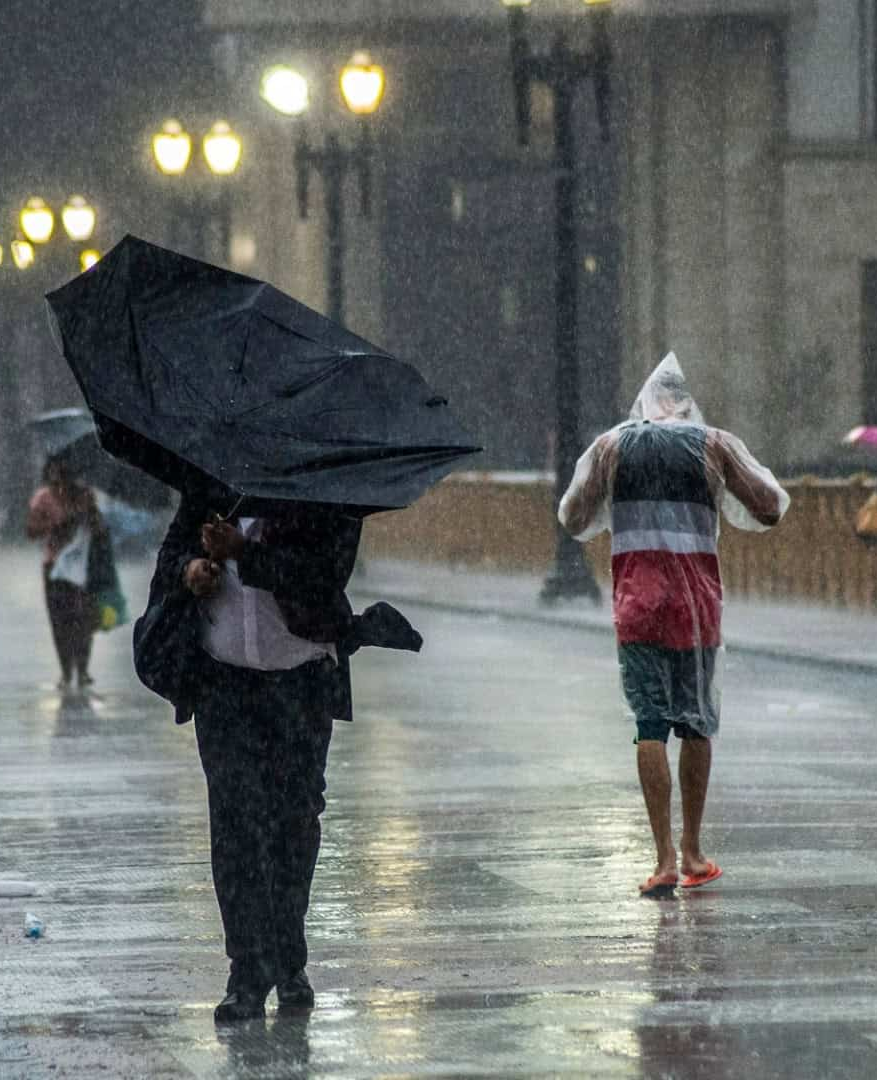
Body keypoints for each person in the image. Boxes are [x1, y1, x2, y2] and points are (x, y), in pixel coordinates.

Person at [145, 487, 420, 1022]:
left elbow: (325, 576)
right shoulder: (211, 481)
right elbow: (170, 558)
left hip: (301, 682)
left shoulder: (326, 490)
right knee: (235, 827)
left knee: (293, 824)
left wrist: (246, 553)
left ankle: (289, 960)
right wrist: (191, 570)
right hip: (223, 685)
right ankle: (246, 972)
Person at [558, 353, 789, 897]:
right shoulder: (713, 444)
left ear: (643, 401)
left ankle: (661, 858)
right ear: (684, 403)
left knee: (649, 726)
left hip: (637, 604)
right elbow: (770, 507)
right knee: (697, 724)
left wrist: (615, 497)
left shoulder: (612, 446)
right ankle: (692, 850)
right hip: (696, 608)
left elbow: (572, 517)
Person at [26, 458, 106, 692]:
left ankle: (82, 669)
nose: (58, 476)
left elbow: (99, 528)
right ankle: (65, 670)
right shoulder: (43, 498)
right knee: (60, 620)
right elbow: (30, 530)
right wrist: (56, 526)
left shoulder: (85, 496)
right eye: (54, 470)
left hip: (83, 567)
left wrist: (88, 514)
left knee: (84, 619)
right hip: (55, 568)